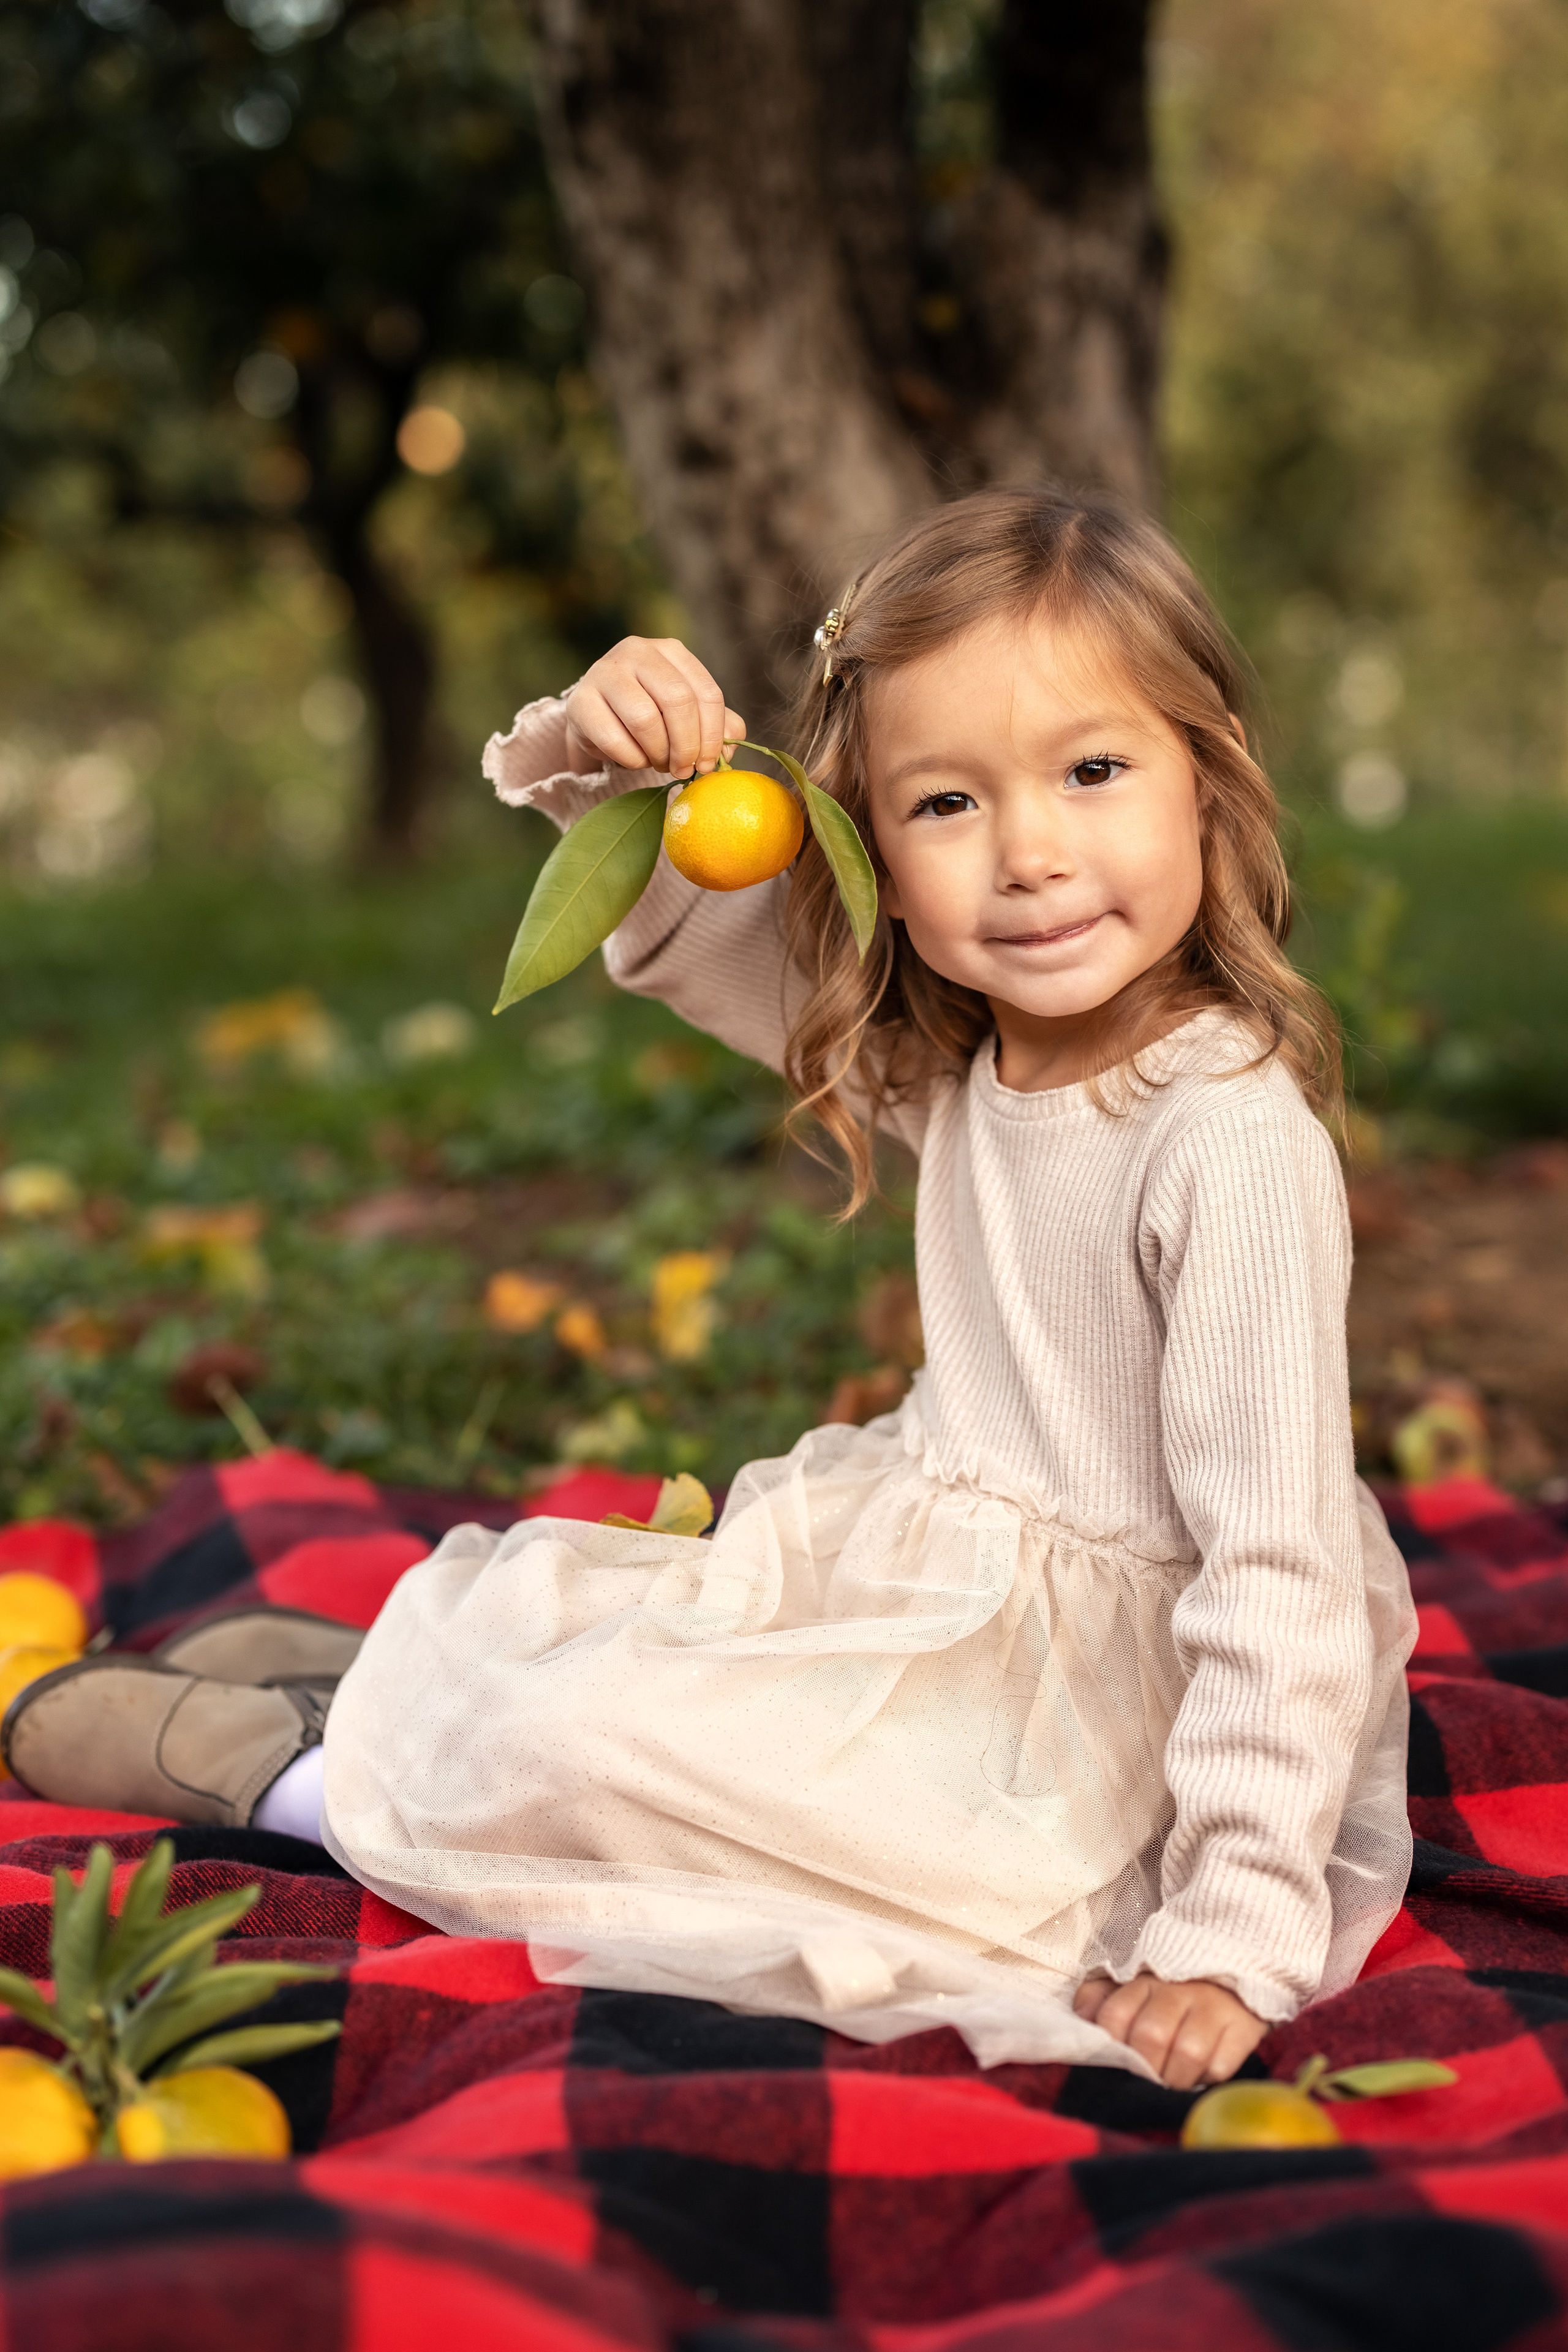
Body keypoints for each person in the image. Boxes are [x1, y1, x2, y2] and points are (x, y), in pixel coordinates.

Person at [6, 488, 1415, 2089]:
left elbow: (1275, 1564)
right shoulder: (965, 1047)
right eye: (947, 803)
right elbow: (720, 943)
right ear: (870, 835)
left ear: (1207, 775)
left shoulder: (1222, 1138)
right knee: (631, 1655)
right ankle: (387, 1694)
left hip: (1104, 1720)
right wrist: (619, 765)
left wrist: (1230, 1926)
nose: (1032, 857)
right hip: (930, 1588)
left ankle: (301, 1775)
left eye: (1095, 772)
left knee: (658, 1781)